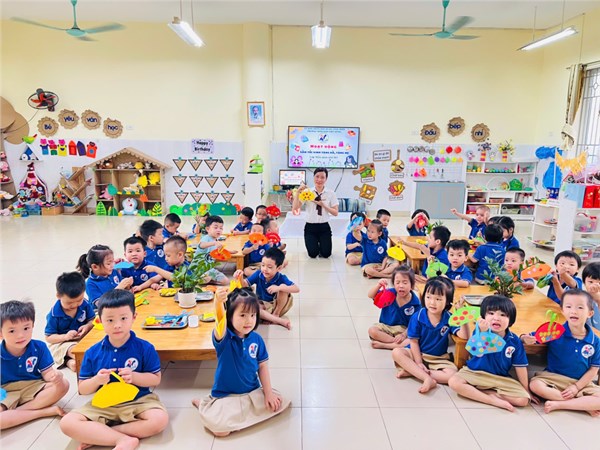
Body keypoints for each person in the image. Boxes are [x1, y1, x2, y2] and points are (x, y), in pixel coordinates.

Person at [59, 290, 168, 449]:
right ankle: (122, 439)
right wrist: (97, 380)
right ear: (100, 321)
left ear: (134, 317)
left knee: (159, 420)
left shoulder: (145, 348)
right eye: (110, 320)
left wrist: (134, 377)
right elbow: (83, 389)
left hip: (139, 400)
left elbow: (155, 378)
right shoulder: (92, 352)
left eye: (123, 318)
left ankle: (102, 434)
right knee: (67, 423)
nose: (117, 325)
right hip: (104, 404)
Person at [193, 287, 290, 436]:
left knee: (279, 402)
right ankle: (203, 405)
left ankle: (238, 419)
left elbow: (263, 367)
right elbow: (219, 321)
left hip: (251, 393)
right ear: (230, 316)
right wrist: (218, 303)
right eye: (243, 315)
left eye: (253, 315)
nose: (249, 320)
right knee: (220, 432)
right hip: (226, 396)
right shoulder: (224, 337)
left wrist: (268, 393)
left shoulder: (257, 339)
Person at [519, 289, 600, 416]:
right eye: (568, 307)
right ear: (562, 310)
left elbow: (594, 369)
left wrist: (576, 387)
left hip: (581, 382)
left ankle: (560, 404)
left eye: (580, 307)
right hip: (553, 378)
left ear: (590, 313)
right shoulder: (554, 331)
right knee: (535, 385)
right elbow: (528, 337)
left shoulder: (595, 341)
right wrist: (524, 338)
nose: (573, 311)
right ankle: (582, 405)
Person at [448, 295, 534, 411]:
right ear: (483, 316)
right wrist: (483, 334)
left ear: (511, 320)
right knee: (454, 382)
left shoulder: (514, 341)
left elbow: (520, 366)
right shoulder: (479, 332)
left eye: (503, 315)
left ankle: (485, 392)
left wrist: (526, 390)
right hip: (475, 372)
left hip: (500, 378)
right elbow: (477, 353)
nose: (496, 318)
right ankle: (492, 400)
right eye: (491, 313)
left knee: (522, 400)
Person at [392, 277, 469, 393]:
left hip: (438, 357)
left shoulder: (449, 317)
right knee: (397, 352)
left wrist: (463, 316)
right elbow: (413, 342)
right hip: (417, 353)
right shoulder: (418, 316)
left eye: (438, 299)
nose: (432, 302)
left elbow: (464, 336)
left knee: (453, 374)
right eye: (428, 297)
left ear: (448, 301)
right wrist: (418, 362)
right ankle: (426, 378)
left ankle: (414, 372)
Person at [1, 300, 69, 430]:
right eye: (12, 331)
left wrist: (55, 377)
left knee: (64, 384)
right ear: (0, 333)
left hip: (33, 386)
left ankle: (16, 413)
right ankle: (42, 412)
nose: (21, 335)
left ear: (32, 326)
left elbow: (47, 373)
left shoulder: (39, 347)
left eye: (26, 328)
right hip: (6, 391)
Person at [235, 247, 298, 329]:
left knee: (283, 288)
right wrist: (240, 277)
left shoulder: (281, 278)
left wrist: (279, 287)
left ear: (279, 268)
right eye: (263, 265)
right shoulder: (259, 274)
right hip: (262, 305)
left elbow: (296, 289)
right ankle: (275, 319)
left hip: (277, 306)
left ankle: (276, 315)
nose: (265, 269)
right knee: (253, 306)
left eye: (269, 267)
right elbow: (245, 284)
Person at [45, 272, 94, 371]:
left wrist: (87, 326)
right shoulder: (54, 314)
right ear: (58, 296)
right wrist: (65, 337)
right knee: (72, 349)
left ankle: (70, 361)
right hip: (62, 342)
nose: (75, 305)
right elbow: (49, 337)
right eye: (69, 302)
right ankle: (72, 360)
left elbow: (92, 319)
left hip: (82, 338)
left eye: (79, 300)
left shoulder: (84, 304)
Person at [367, 266, 421, 349]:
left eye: (405, 283)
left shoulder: (415, 303)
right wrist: (378, 285)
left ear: (412, 285)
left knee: (413, 340)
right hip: (386, 327)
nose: (401, 286)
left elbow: (413, 324)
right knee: (372, 330)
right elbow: (370, 295)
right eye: (397, 282)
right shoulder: (389, 293)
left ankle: (385, 345)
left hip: (402, 331)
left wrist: (403, 335)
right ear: (393, 284)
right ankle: (394, 343)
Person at [292, 168, 339, 258]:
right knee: (313, 254)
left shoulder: (330, 193)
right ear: (313, 177)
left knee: (326, 254)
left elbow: (335, 213)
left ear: (326, 179)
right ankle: (315, 245)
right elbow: (295, 208)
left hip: (324, 227)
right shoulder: (307, 192)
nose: (319, 180)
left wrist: (323, 205)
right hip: (310, 227)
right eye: (317, 177)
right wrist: (298, 192)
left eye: (322, 177)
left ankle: (322, 245)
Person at [77, 244, 133, 309]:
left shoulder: (114, 272)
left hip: (120, 306)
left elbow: (125, 293)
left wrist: (128, 287)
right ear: (95, 267)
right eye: (108, 263)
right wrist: (119, 288)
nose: (112, 265)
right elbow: (101, 305)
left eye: (113, 261)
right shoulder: (90, 283)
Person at [193, 215, 230, 286]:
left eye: (221, 228)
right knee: (207, 278)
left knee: (226, 281)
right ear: (207, 229)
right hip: (199, 268)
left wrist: (230, 252)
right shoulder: (206, 238)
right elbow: (201, 245)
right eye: (215, 227)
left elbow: (219, 251)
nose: (219, 230)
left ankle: (208, 281)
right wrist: (214, 243)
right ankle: (200, 279)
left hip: (209, 269)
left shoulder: (215, 240)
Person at [582, 262, 600, 329]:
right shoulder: (582, 296)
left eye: (599, 283)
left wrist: (598, 299)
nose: (594, 285)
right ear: (584, 282)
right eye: (591, 282)